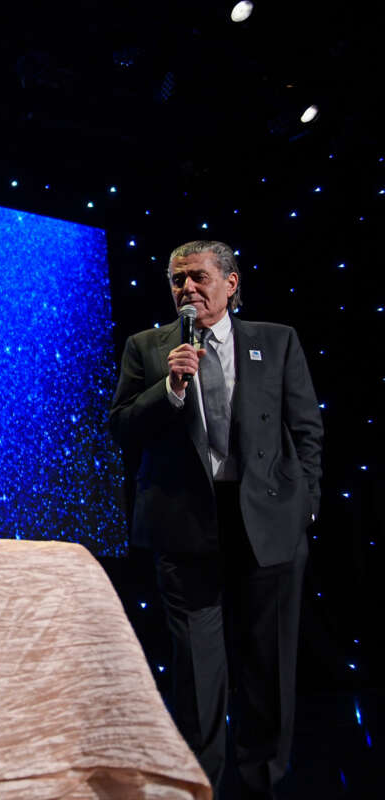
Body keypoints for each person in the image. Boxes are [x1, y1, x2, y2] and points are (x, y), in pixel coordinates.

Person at [110, 241, 322, 798]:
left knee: (268, 672)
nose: (187, 289)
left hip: (268, 527)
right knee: (199, 678)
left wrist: (306, 506)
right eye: (177, 279)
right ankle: (198, 787)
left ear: (230, 283)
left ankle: (261, 786)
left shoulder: (276, 342)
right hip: (186, 530)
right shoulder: (148, 347)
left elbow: (305, 431)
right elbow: (123, 427)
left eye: (199, 277)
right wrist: (170, 389)